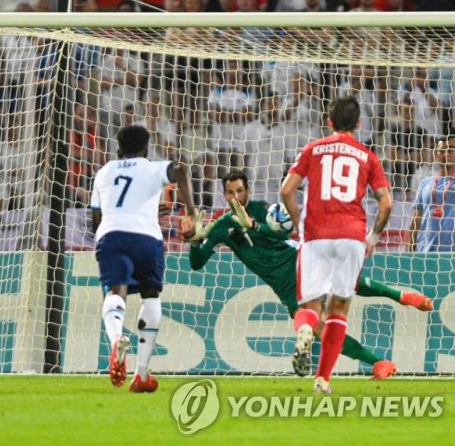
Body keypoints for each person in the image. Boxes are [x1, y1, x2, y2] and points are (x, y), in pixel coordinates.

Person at [188, 170, 432, 379]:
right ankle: (379, 362)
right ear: (224, 195)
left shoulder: (262, 209)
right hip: (285, 285)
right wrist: (193, 241)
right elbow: (197, 263)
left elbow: (285, 232)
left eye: (239, 191)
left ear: (248, 191)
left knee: (345, 285)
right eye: (230, 193)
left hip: (300, 261)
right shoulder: (221, 226)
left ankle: (401, 296)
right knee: (323, 328)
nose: (235, 197)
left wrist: (253, 225)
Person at [280, 97, 393, 394]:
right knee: (339, 309)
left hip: (316, 234)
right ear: (358, 124)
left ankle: (305, 329)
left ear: (328, 122)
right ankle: (322, 379)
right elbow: (386, 202)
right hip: (352, 235)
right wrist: (373, 237)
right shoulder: (367, 156)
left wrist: (298, 223)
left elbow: (287, 190)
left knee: (311, 306)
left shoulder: (312, 149)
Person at [90, 124, 194, 393]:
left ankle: (116, 339)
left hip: (111, 234)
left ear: (119, 147)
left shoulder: (104, 172)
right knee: (150, 295)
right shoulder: (152, 167)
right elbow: (180, 170)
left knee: (115, 293)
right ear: (146, 147)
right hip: (147, 238)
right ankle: (141, 374)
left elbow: (96, 217)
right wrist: (191, 212)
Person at [409, 136, 455, 252]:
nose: (446, 154)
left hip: (451, 253)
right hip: (424, 253)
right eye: (442, 151)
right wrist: (410, 250)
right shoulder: (425, 183)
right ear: (436, 154)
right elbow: (416, 218)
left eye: (450, 150)